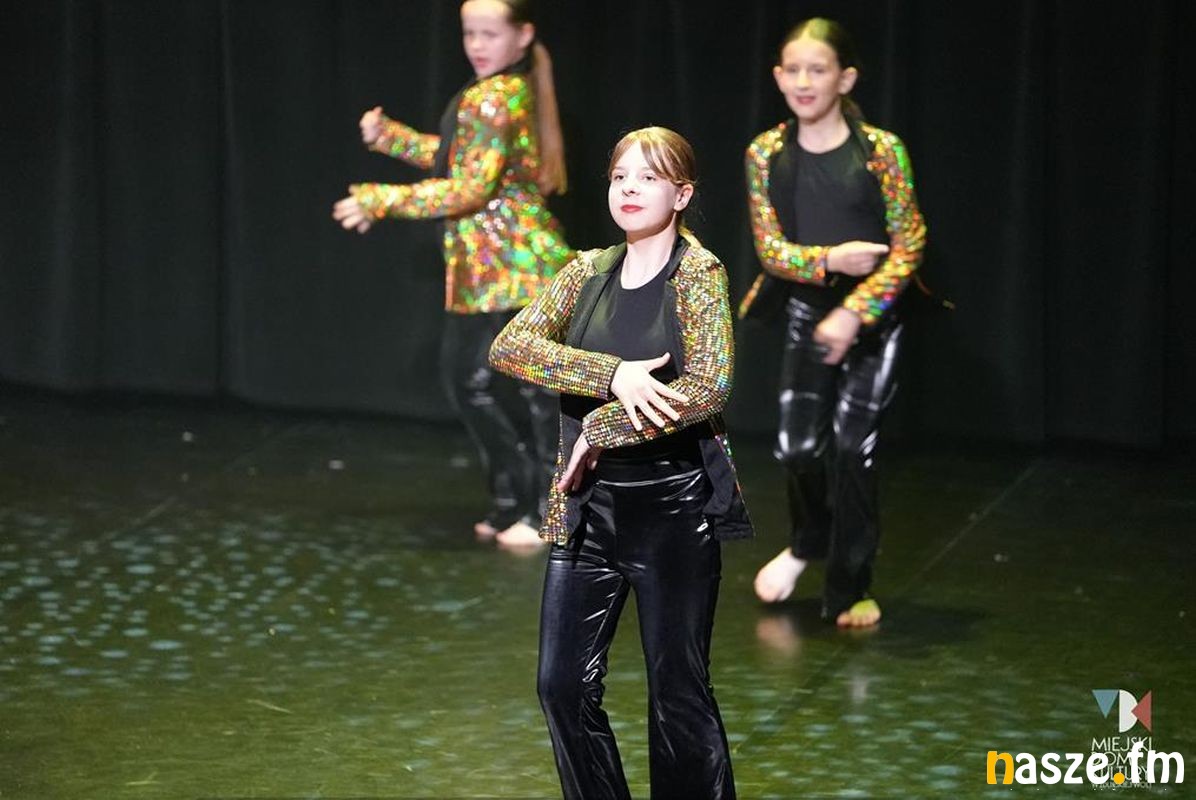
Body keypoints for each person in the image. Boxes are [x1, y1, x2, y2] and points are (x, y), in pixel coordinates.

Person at [489, 127, 751, 800]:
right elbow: (511, 346)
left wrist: (602, 428)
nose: (630, 188)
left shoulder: (698, 274)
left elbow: (708, 387)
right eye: (619, 177)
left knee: (678, 693)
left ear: (681, 195)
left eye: (648, 177)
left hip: (673, 509)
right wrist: (613, 375)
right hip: (589, 508)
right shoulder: (586, 272)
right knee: (561, 686)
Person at [332, 0, 571, 548]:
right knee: (473, 382)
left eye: (490, 33)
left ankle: (541, 508)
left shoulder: (497, 95)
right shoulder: (496, 92)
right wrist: (392, 138)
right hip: (489, 270)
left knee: (526, 391)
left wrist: (379, 199)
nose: (477, 46)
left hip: (518, 265)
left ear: (523, 36)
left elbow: (469, 187)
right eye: (469, 34)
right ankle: (514, 499)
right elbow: (463, 157)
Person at [741, 18, 927, 627]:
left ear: (844, 79)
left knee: (853, 450)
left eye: (817, 70)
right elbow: (771, 250)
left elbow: (908, 245)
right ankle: (808, 540)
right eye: (793, 70)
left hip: (874, 316)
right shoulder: (766, 153)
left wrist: (856, 310)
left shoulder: (880, 151)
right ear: (777, 77)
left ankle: (849, 587)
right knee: (797, 448)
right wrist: (829, 262)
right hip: (807, 310)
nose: (803, 82)